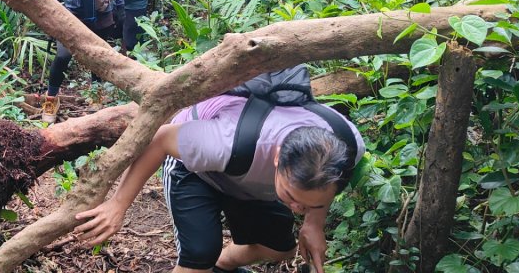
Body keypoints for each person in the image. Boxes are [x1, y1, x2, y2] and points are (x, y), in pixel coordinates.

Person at [73, 90, 364, 273]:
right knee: (199, 255)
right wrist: (118, 204)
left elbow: (318, 189)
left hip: (248, 177)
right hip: (195, 168)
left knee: (281, 248)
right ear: (277, 157)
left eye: (308, 205)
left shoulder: (347, 144)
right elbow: (160, 139)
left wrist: (314, 223)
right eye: (292, 197)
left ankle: (222, 266)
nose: (297, 209)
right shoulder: (226, 142)